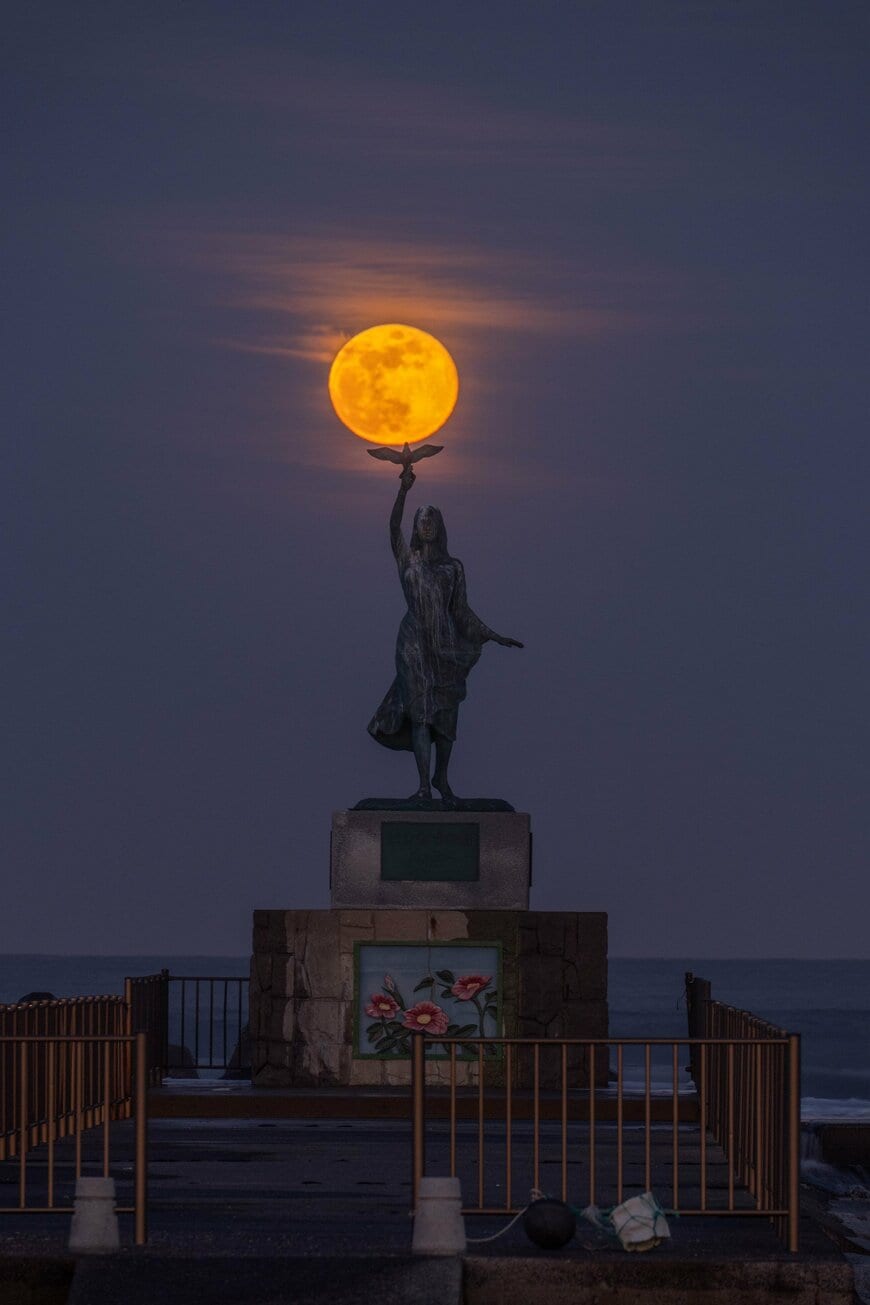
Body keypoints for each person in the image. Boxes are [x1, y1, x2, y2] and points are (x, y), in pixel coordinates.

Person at [368, 466, 523, 804]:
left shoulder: (453, 568)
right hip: (413, 644)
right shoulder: (408, 560)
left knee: (446, 716)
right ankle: (424, 785)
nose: (426, 525)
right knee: (421, 712)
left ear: (439, 527)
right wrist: (403, 490)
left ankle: (442, 778)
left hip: (446, 646)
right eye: (421, 521)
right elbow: (392, 528)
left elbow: (461, 610)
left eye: (431, 520)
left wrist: (492, 634)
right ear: (415, 527)